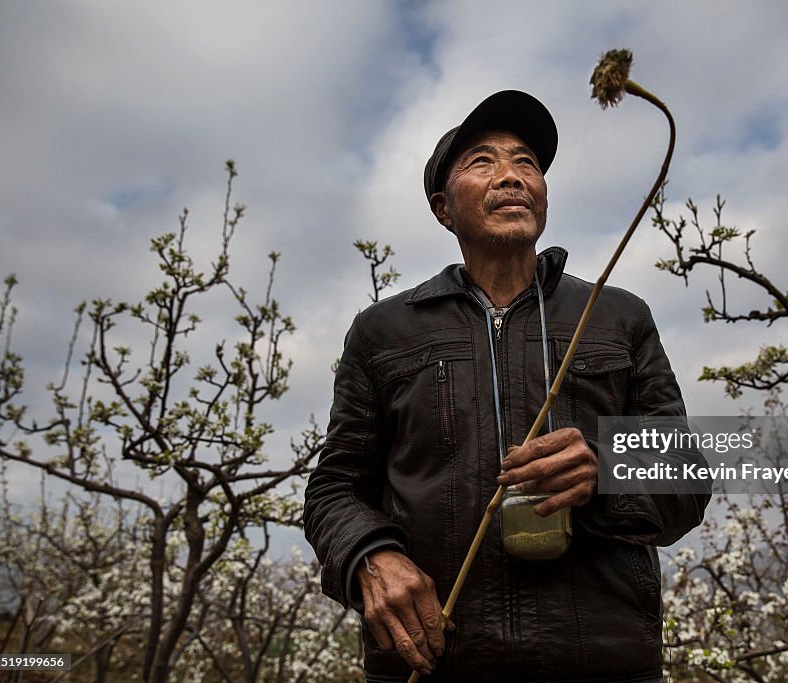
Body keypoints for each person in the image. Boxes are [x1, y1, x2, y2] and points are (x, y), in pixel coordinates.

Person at [304, 90, 711, 683]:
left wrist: (604, 468)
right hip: (436, 662)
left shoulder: (617, 316)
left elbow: (688, 473)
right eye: (482, 162)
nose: (512, 176)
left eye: (527, 163)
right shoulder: (383, 331)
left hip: (603, 663)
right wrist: (371, 557)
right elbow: (335, 487)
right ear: (444, 208)